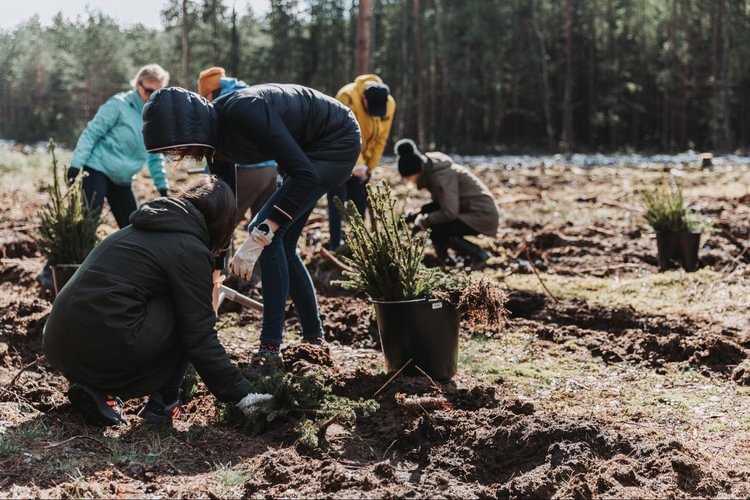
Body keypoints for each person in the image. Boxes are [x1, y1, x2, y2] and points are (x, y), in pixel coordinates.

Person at [142, 85, 361, 359]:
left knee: (268, 234)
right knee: (284, 243)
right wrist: (217, 267)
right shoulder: (213, 142)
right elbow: (226, 206)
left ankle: (270, 347)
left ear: (191, 130)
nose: (180, 155)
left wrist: (259, 237)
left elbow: (305, 176)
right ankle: (313, 338)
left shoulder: (245, 111)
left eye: (179, 148)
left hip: (336, 140)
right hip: (304, 156)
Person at [42, 176, 272, 427]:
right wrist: (243, 394)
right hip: (104, 339)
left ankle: (99, 391)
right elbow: (199, 335)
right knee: (189, 314)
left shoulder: (140, 227)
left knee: (169, 305)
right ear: (221, 222)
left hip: (57, 342)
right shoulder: (189, 249)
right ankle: (164, 403)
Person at [68, 64, 172, 228]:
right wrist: (75, 165)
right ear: (138, 85)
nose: (152, 97)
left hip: (123, 179)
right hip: (97, 169)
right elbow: (91, 133)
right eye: (149, 91)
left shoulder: (155, 118)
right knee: (88, 223)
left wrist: (162, 187)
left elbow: (154, 155)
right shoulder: (119, 104)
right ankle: (81, 253)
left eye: (158, 93)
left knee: (132, 226)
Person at [394, 138, 499, 268]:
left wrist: (423, 222)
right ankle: (447, 263)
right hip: (472, 210)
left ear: (416, 172)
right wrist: (418, 213)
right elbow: (441, 203)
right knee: (436, 227)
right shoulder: (433, 172)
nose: (409, 182)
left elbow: (449, 212)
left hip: (482, 214)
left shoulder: (441, 177)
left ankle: (478, 255)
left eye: (409, 178)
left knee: (436, 229)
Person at [197, 66, 278, 223]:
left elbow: (219, 149)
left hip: (247, 171)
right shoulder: (247, 94)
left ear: (209, 92)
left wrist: (209, 177)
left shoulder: (221, 105)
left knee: (222, 220)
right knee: (261, 230)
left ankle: (219, 248)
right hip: (272, 169)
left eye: (204, 97)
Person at [326, 74, 396, 250]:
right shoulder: (347, 96)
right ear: (364, 98)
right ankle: (335, 244)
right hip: (340, 156)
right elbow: (344, 133)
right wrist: (358, 164)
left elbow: (381, 138)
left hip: (363, 164)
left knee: (360, 201)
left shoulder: (389, 104)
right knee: (337, 201)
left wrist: (369, 167)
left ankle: (359, 244)